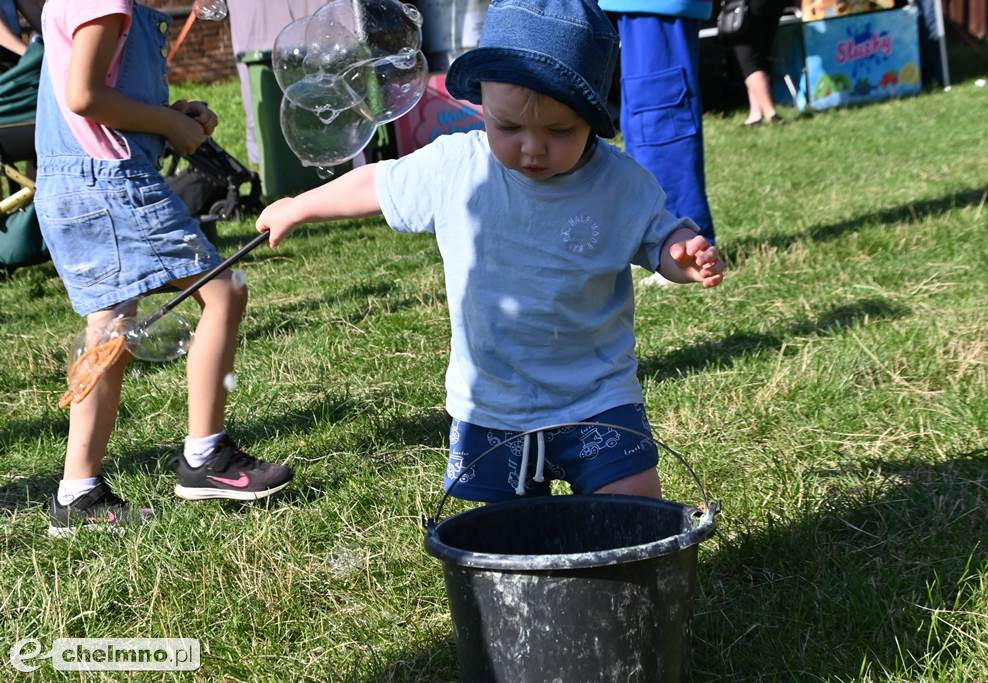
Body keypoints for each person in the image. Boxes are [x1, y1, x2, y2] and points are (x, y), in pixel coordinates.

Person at [256, 0, 724, 503]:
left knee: (633, 509)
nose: (531, 147)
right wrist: (298, 206)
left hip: (599, 397)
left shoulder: (621, 184)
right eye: (509, 127)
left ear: (594, 116)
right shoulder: (456, 167)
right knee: (501, 539)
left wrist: (682, 258)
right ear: (481, 105)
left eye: (559, 131)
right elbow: (376, 183)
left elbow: (659, 238)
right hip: (492, 404)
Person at [36, 0, 293, 537]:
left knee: (108, 331)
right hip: (111, 185)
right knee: (222, 292)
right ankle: (206, 457)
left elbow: (98, 100)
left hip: (75, 183)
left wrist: (173, 114)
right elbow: (84, 97)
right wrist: (170, 123)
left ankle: (76, 493)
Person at [598, 1, 716, 292]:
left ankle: (685, 250)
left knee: (660, 118)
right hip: (641, 6)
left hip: (657, 6)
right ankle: (662, 245)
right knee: (643, 122)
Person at [732, 0, 787, 125]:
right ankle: (755, 114)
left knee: (747, 59)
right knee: (759, 55)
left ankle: (770, 113)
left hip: (750, 6)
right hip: (773, 5)